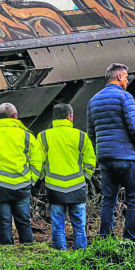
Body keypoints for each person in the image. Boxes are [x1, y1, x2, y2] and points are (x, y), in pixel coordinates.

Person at [87, 63, 135, 240]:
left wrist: (101, 152)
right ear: (119, 77)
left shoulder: (93, 101)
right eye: (126, 77)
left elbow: (91, 133)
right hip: (127, 156)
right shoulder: (125, 97)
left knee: (109, 199)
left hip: (105, 158)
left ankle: (105, 238)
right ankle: (129, 240)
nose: (127, 81)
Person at [0, 102, 44, 245]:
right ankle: (28, 250)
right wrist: (32, 180)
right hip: (21, 185)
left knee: (3, 222)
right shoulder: (27, 135)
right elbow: (37, 161)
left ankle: (7, 253)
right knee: (23, 221)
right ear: (15, 116)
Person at [39, 103, 95, 250]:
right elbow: (90, 161)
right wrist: (85, 178)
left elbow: (38, 162)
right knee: (79, 226)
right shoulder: (81, 136)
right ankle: (80, 256)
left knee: (57, 225)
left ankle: (60, 257)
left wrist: (43, 177)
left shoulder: (44, 136)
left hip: (54, 187)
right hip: (77, 187)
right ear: (70, 117)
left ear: (54, 118)